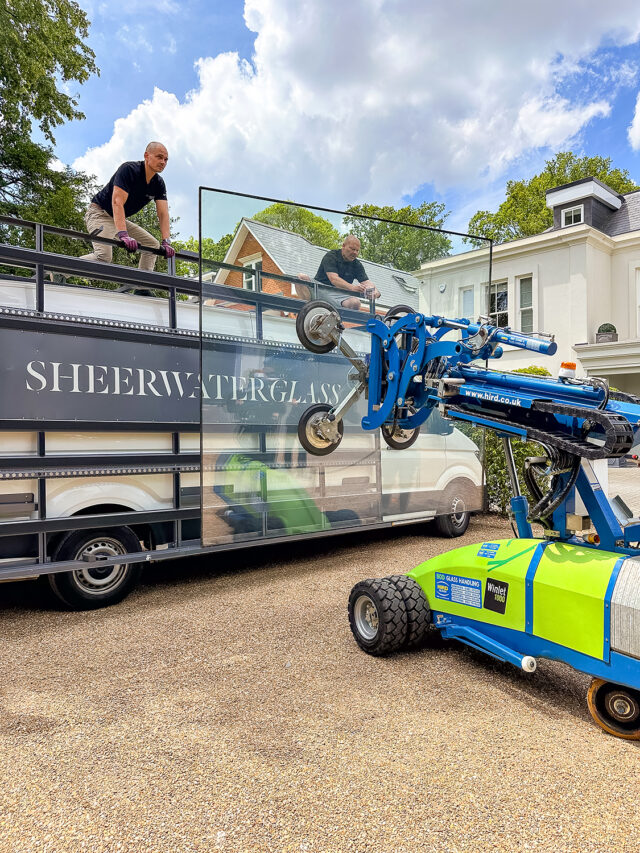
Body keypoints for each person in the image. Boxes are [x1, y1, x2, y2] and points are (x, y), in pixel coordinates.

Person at [80, 141, 175, 271]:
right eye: (159, 157)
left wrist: (166, 241)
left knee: (152, 245)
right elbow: (117, 202)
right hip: (100, 214)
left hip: (117, 219)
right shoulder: (129, 170)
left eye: (166, 159)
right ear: (146, 156)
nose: (163, 162)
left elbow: (163, 214)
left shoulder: (158, 183)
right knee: (103, 256)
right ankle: (57, 270)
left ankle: (141, 288)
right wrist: (123, 234)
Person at [314, 235, 380, 311]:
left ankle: (338, 319)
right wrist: (353, 288)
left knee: (355, 303)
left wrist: (375, 291)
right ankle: (308, 309)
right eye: (352, 249)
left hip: (339, 294)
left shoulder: (357, 264)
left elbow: (366, 282)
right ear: (343, 246)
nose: (355, 253)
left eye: (357, 250)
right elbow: (334, 279)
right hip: (319, 289)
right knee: (301, 277)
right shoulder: (331, 256)